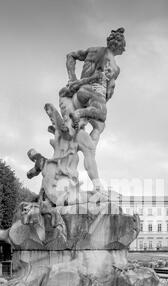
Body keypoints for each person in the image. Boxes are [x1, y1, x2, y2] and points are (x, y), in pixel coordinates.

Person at [59, 28, 126, 191]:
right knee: (101, 118)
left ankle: (89, 147)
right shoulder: (108, 62)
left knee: (100, 126)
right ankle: (80, 119)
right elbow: (109, 93)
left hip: (91, 100)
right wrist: (73, 79)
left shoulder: (110, 64)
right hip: (87, 94)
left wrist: (73, 78)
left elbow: (71, 56)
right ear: (119, 45)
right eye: (124, 46)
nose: (124, 49)